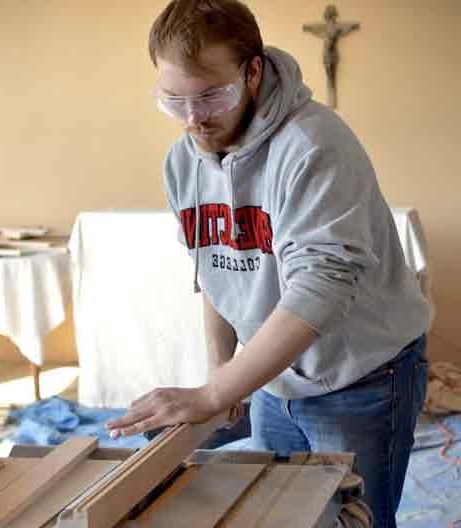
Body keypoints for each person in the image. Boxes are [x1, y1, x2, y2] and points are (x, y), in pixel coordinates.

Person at [107, 1, 431, 525]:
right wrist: (224, 376)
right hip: (272, 377)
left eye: (212, 95)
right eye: (174, 101)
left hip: (360, 377)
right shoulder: (182, 161)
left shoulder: (314, 145)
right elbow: (215, 271)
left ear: (252, 72)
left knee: (353, 519)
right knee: (287, 514)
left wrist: (215, 391)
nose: (194, 119)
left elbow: (319, 287)